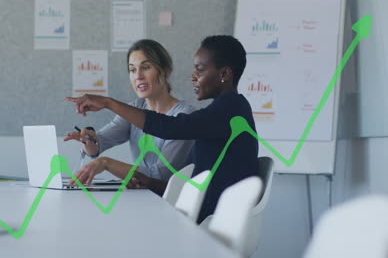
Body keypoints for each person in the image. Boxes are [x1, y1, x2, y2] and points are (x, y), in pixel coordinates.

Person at [66, 35, 259, 224]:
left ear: (224, 74)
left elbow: (171, 127)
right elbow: (186, 182)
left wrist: (108, 103)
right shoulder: (224, 109)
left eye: (200, 70)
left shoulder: (229, 109)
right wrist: (148, 183)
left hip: (211, 220)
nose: (193, 76)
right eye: (132, 70)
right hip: (200, 213)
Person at [64, 39, 196, 196]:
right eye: (132, 70)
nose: (138, 76)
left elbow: (160, 175)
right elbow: (99, 145)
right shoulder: (135, 108)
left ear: (165, 71)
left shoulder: (185, 115)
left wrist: (106, 163)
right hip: (142, 198)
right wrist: (88, 140)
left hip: (169, 205)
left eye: (146, 67)